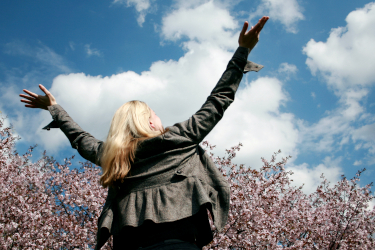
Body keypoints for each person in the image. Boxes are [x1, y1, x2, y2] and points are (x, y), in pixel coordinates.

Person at [19, 16, 269, 250]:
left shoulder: (113, 156)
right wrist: (242, 52)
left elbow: (80, 139)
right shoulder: (179, 137)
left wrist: (54, 108)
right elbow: (218, 99)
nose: (161, 118)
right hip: (178, 242)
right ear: (149, 124)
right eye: (155, 114)